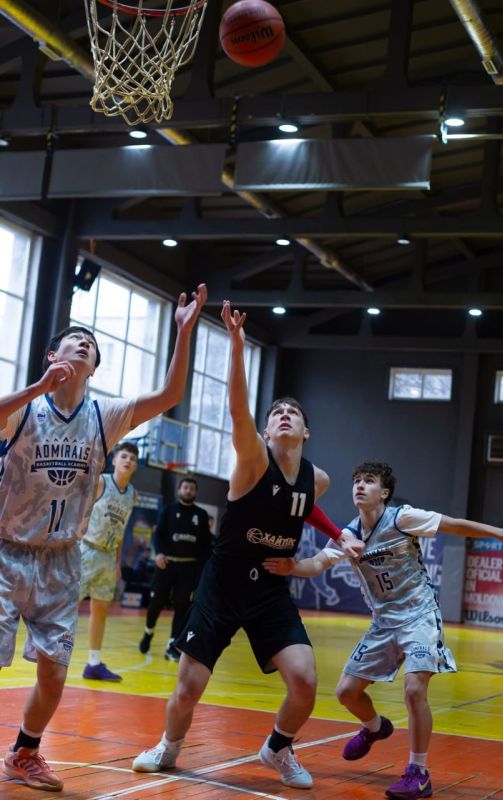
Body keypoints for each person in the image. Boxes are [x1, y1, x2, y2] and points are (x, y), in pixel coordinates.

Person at [132, 300, 364, 789]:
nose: (284, 416)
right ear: (264, 430)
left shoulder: (318, 479)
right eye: (276, 413)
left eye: (293, 413)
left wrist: (337, 534)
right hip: (223, 584)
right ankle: (168, 747)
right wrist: (237, 345)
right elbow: (238, 407)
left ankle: (278, 748)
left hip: (270, 590)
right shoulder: (252, 459)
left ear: (306, 431)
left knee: (305, 681)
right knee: (189, 686)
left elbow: (304, 506)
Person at [0, 283, 207, 792]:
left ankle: (25, 753)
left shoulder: (102, 415)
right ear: (53, 356)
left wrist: (184, 333)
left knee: (54, 673)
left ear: (93, 367)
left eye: (91, 344)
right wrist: (35, 387)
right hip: (6, 552)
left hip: (62, 559)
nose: (85, 343)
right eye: (75, 339)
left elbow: (170, 396)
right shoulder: (26, 408)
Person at [262, 460, 503, 800]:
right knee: (346, 692)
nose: (360, 485)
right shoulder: (347, 535)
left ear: (384, 492)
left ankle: (418, 773)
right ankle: (375, 727)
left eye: (369, 481)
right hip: (383, 622)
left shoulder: (402, 518)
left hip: (419, 615)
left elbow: (454, 525)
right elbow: (317, 563)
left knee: (414, 689)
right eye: (356, 480)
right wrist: (291, 566)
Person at [79, 441, 139, 682]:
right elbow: (79, 509)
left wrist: (117, 563)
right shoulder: (102, 482)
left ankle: (93, 663)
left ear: (135, 466)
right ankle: (50, 654)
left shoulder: (132, 494)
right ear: (114, 460)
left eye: (132, 458)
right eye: (124, 456)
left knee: (101, 609)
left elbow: (121, 531)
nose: (128, 461)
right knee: (67, 606)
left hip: (108, 556)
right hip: (86, 549)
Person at [138, 477, 212, 661]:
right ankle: (148, 632)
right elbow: (158, 536)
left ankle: (172, 646)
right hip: (166, 564)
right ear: (179, 490)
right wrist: (159, 554)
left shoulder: (201, 515)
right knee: (156, 602)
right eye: (185, 487)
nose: (188, 491)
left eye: (192, 488)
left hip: (188, 568)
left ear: (195, 492)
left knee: (182, 606)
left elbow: (206, 545)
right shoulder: (168, 510)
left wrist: (201, 571)